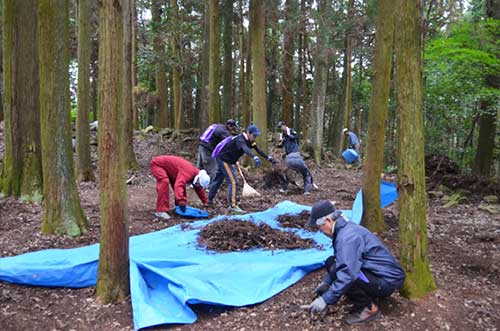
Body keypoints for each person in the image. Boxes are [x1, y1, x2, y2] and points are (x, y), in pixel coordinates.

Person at [304, 200, 405, 324]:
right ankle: (364, 294)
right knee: (331, 262)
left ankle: (369, 309)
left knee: (349, 275)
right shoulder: (344, 229)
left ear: (328, 221)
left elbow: (348, 273)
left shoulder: (347, 238)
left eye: (320, 227)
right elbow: (341, 261)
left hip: (386, 281)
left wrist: (326, 299)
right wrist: (327, 282)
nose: (320, 231)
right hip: (376, 273)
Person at [208, 124, 275, 213]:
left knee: (218, 180)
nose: (254, 138)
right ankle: (233, 206)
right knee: (233, 182)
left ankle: (208, 199)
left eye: (256, 136)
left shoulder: (251, 141)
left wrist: (268, 158)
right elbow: (245, 149)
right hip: (223, 160)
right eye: (253, 135)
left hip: (228, 160)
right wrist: (253, 157)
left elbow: (258, 149)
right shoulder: (240, 140)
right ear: (248, 133)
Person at [150, 155, 211, 220]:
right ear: (198, 179)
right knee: (164, 182)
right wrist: (182, 202)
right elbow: (178, 186)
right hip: (157, 164)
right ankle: (161, 211)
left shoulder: (197, 175)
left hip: (171, 170)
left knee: (180, 185)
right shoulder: (189, 173)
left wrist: (205, 201)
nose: (198, 186)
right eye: (198, 184)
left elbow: (198, 188)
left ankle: (178, 207)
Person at [277, 120, 313, 195]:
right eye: (280, 127)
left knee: (303, 173)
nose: (281, 128)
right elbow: (280, 145)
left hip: (294, 156)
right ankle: (306, 190)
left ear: (284, 125)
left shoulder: (291, 131)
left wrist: (288, 136)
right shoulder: (282, 135)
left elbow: (296, 137)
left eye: (281, 126)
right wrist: (281, 142)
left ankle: (286, 188)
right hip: (291, 157)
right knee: (304, 173)